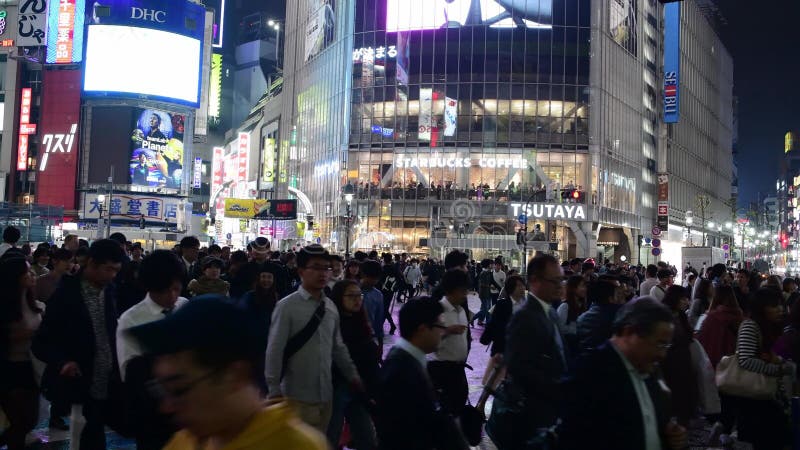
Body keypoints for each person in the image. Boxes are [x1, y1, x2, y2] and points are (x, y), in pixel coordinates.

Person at [127, 296, 328, 450]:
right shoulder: (184, 442)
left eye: (179, 389)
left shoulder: (295, 445)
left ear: (234, 375)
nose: (166, 407)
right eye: (162, 390)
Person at [32, 239, 127, 450]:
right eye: (108, 269)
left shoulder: (109, 291)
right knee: (88, 436)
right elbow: (41, 342)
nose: (112, 275)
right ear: (91, 263)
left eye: (116, 270)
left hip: (108, 381)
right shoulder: (67, 294)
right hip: (82, 382)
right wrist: (63, 362)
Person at [558, 298, 688, 450]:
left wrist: (671, 437)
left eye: (666, 345)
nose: (663, 354)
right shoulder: (590, 373)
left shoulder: (651, 368)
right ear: (629, 332)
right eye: (659, 344)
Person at [265, 245, 362, 433]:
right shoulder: (287, 307)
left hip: (326, 397)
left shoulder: (331, 307)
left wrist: (353, 376)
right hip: (295, 398)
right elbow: (274, 350)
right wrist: (273, 389)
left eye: (326, 268)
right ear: (301, 271)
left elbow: (338, 348)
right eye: (316, 267)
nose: (323, 273)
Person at [486, 255, 567, 449]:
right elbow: (518, 367)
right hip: (529, 416)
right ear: (535, 281)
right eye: (554, 281)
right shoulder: (525, 316)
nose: (559, 285)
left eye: (561, 280)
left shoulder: (551, 312)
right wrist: (557, 385)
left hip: (546, 411)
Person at [374, 297, 469, 450]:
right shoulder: (402, 370)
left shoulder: (407, 360)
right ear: (423, 329)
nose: (442, 332)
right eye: (440, 327)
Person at [115, 250, 188, 450]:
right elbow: (130, 373)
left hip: (190, 409)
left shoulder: (186, 308)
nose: (172, 296)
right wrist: (164, 397)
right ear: (149, 288)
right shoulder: (131, 320)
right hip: (153, 415)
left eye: (176, 288)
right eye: (164, 291)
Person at [732, 288, 792, 450]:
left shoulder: (772, 327)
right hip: (754, 400)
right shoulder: (750, 326)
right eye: (774, 305)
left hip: (770, 396)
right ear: (761, 308)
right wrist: (777, 368)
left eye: (781, 305)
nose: (780, 309)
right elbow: (745, 360)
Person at [327, 280, 379, 450]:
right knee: (331, 438)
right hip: (337, 389)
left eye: (359, 295)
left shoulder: (361, 320)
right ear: (339, 297)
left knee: (367, 438)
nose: (357, 300)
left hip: (358, 389)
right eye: (351, 296)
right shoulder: (331, 323)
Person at [0, 255, 43, 450]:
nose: (32, 274)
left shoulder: (33, 303)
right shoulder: (5, 306)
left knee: (31, 419)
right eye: (27, 271)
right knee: (19, 420)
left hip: (31, 367)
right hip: (9, 368)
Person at [696, 284, 743, 446]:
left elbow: (702, 342)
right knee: (731, 400)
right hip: (735, 367)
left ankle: (719, 429)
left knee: (719, 401)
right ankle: (728, 432)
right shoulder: (739, 316)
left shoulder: (711, 317)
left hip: (715, 366)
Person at [428, 269, 470, 417]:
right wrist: (447, 331)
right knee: (445, 413)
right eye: (462, 291)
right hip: (441, 370)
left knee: (458, 408)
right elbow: (427, 342)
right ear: (450, 290)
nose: (465, 295)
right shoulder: (438, 310)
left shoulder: (462, 311)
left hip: (459, 370)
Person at [659, 285, 698, 426]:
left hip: (682, 361)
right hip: (670, 364)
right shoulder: (664, 316)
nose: (686, 302)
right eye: (683, 299)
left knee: (682, 399)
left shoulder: (680, 314)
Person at [238, 265, 279, 393]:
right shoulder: (249, 296)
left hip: (270, 342)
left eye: (269, 277)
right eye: (263, 277)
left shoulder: (276, 297)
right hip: (253, 344)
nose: (266, 280)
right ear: (258, 279)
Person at [480, 274, 527, 356]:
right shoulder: (502, 304)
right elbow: (494, 323)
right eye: (519, 285)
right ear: (511, 288)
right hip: (502, 348)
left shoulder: (527, 305)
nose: (522, 288)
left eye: (523, 285)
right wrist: (486, 339)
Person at [576, 280, 623, 351]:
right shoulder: (618, 315)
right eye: (617, 295)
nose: (619, 298)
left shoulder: (581, 318)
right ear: (610, 298)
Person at [557, 275, 587, 357]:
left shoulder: (581, 305)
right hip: (569, 348)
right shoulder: (565, 306)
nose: (584, 289)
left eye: (585, 286)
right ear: (573, 288)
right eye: (582, 286)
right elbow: (559, 328)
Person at [359, 260, 385, 349]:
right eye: (371, 278)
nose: (374, 281)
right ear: (362, 275)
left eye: (376, 278)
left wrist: (380, 345)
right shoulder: (351, 291)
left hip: (369, 338)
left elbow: (379, 320)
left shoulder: (378, 295)